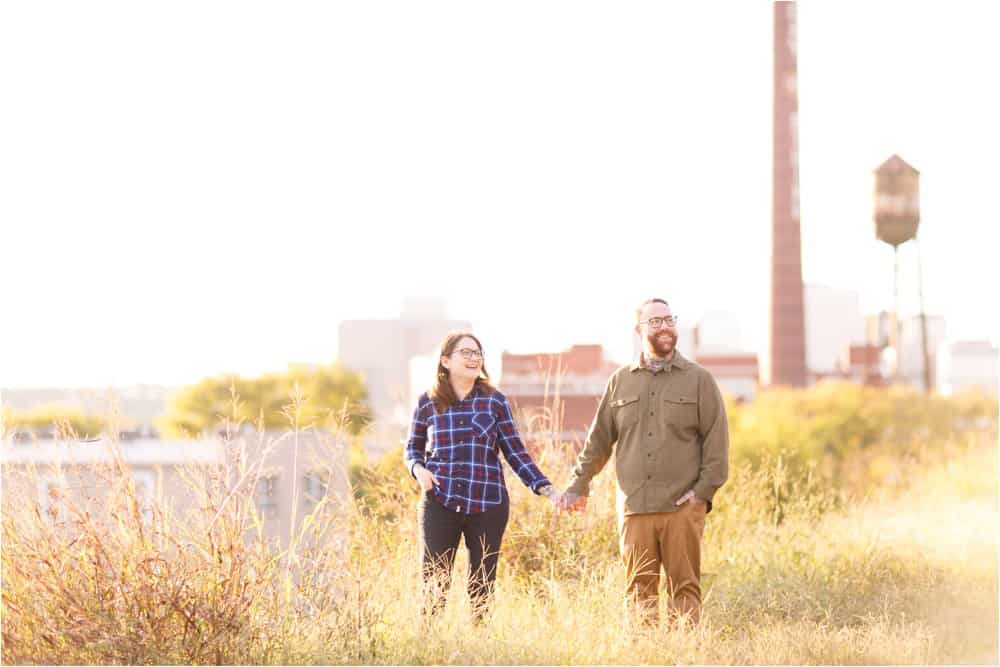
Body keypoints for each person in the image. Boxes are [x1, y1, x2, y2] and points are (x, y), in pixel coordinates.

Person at [557, 298, 729, 627]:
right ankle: (644, 656)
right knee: (638, 592)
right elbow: (598, 441)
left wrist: (701, 495)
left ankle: (686, 657)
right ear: (639, 329)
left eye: (669, 320)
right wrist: (578, 485)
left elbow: (717, 443)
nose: (664, 327)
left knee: (686, 589)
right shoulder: (620, 381)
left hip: (682, 506)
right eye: (655, 322)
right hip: (635, 507)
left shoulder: (699, 380)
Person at [404, 331, 559, 622]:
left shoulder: (494, 401)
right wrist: (418, 469)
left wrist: (545, 488)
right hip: (440, 502)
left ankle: (479, 648)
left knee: (482, 586)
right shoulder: (428, 401)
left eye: (477, 353)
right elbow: (412, 448)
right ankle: (430, 648)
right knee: (434, 584)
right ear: (446, 361)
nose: (474, 358)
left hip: (488, 505)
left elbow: (515, 452)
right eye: (466, 352)